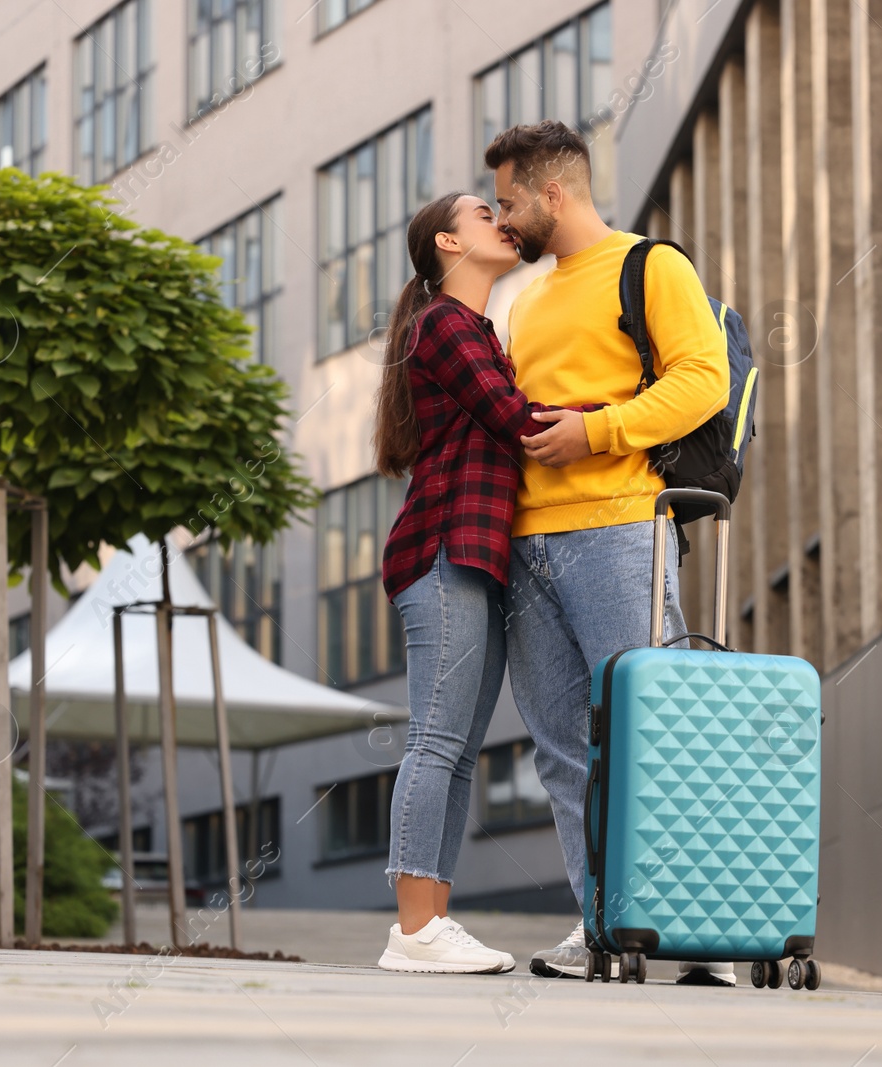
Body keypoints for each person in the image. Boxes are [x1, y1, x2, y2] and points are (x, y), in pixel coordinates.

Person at [486, 121, 737, 985]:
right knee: (562, 747)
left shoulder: (651, 265)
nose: (501, 217)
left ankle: (701, 933)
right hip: (530, 543)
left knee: (652, 732)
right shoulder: (526, 299)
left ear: (554, 192)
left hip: (624, 527)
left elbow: (704, 377)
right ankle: (597, 923)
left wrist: (599, 429)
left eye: (510, 199)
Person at [373, 191, 595, 973]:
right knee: (437, 738)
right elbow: (514, 418)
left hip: (473, 555)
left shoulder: (479, 330)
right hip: (440, 551)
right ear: (448, 241)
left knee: (459, 747)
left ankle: (430, 922)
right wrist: (618, 416)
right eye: (480, 210)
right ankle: (412, 929)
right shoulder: (446, 322)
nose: (500, 217)